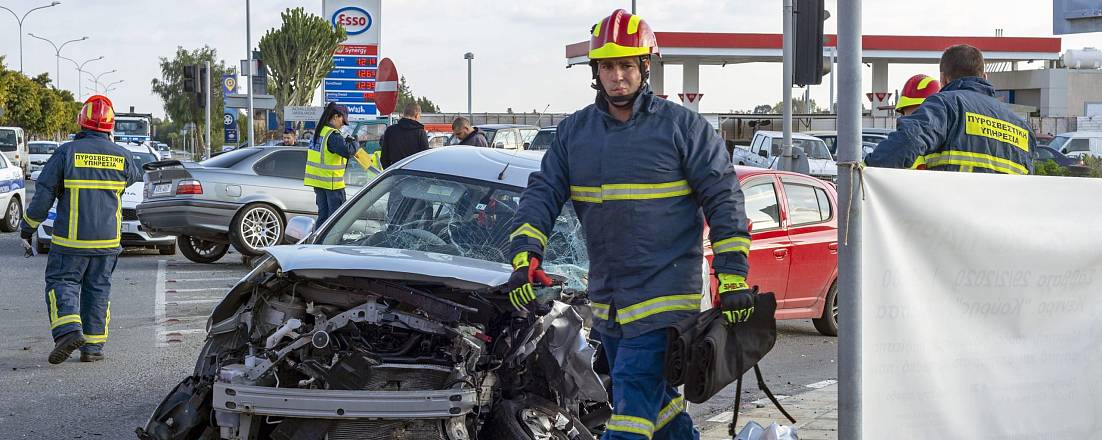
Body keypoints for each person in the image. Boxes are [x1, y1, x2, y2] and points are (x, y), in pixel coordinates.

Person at [504, 10, 754, 440]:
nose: (617, 76)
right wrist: (526, 255)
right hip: (608, 299)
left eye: (625, 65)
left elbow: (723, 196)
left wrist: (732, 275)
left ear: (644, 67)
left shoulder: (683, 128)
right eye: (607, 66)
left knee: (629, 411)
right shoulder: (574, 133)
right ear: (595, 73)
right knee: (647, 399)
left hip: (663, 298)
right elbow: (543, 191)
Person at [19, 94, 142, 364]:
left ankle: (68, 332)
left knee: (62, 282)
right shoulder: (123, 156)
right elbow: (134, 177)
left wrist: (28, 227)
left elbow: (43, 194)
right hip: (108, 242)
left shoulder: (67, 153)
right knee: (98, 290)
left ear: (81, 121)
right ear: (111, 126)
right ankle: (93, 348)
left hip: (70, 241)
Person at [866, 44, 1035, 174]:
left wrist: (864, 169)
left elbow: (907, 141)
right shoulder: (1023, 128)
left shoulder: (946, 106)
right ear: (984, 77)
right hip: (1003, 219)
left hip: (950, 218)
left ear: (943, 78)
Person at [304, 103, 357, 224]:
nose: (343, 125)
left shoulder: (320, 132)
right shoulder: (332, 135)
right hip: (332, 184)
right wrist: (355, 142)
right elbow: (348, 152)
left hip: (319, 183)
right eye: (343, 121)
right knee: (336, 221)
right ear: (335, 116)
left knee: (323, 218)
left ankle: (319, 242)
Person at [380, 102, 429, 167]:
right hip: (414, 174)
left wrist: (391, 172)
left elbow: (384, 158)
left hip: (395, 174)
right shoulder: (420, 133)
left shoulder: (390, 130)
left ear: (404, 114)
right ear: (417, 115)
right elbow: (425, 159)